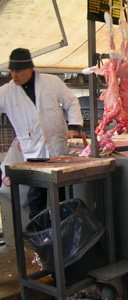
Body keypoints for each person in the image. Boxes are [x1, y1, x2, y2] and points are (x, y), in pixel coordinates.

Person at [0, 48, 83, 219]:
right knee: (36, 195)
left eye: (19, 71)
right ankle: (39, 233)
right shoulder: (6, 92)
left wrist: (74, 127)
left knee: (62, 193)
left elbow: (71, 102)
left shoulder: (51, 82)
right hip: (33, 152)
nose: (14, 75)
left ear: (30, 69)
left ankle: (64, 228)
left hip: (58, 147)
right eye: (12, 71)